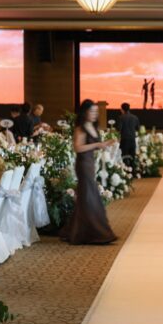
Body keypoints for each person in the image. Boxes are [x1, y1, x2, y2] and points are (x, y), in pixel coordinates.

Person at [61, 99, 118, 245]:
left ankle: (75, 230)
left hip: (90, 164)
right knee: (89, 196)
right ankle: (94, 231)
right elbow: (78, 148)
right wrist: (98, 144)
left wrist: (104, 144)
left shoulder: (92, 126)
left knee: (86, 196)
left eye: (96, 112)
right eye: (91, 111)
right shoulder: (80, 128)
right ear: (84, 112)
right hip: (83, 164)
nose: (94, 114)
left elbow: (93, 146)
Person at [117, 102, 140, 168]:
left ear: (122, 109)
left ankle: (126, 172)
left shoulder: (121, 117)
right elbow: (138, 128)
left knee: (124, 156)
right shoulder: (135, 117)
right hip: (132, 140)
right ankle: (133, 172)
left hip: (124, 140)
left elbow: (119, 129)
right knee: (132, 157)